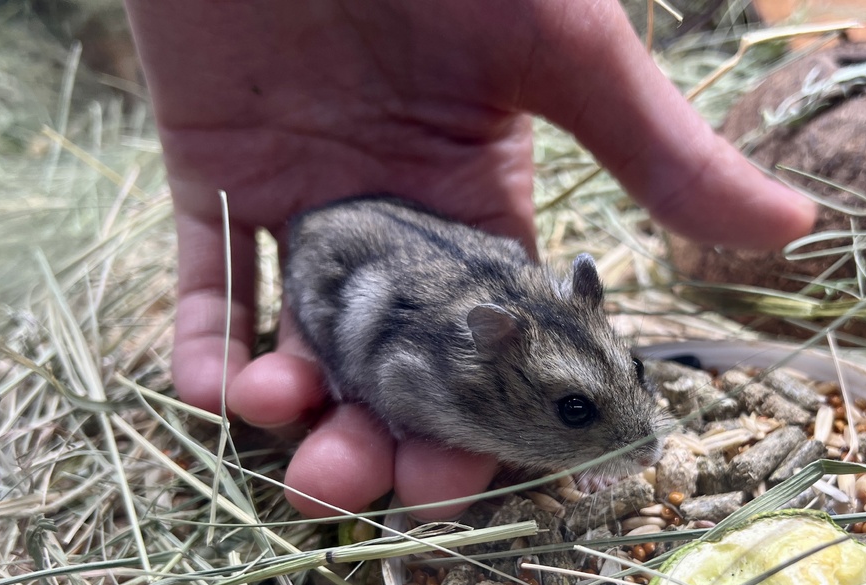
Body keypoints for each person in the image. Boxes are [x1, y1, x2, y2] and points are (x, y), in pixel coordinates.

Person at [123, 1, 815, 520]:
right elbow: (397, 376)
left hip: (418, 243)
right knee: (356, 366)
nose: (648, 436)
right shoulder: (451, 377)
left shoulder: (547, 339)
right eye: (576, 410)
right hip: (339, 256)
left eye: (629, 372)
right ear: (494, 351)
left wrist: (598, 440)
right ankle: (338, 379)